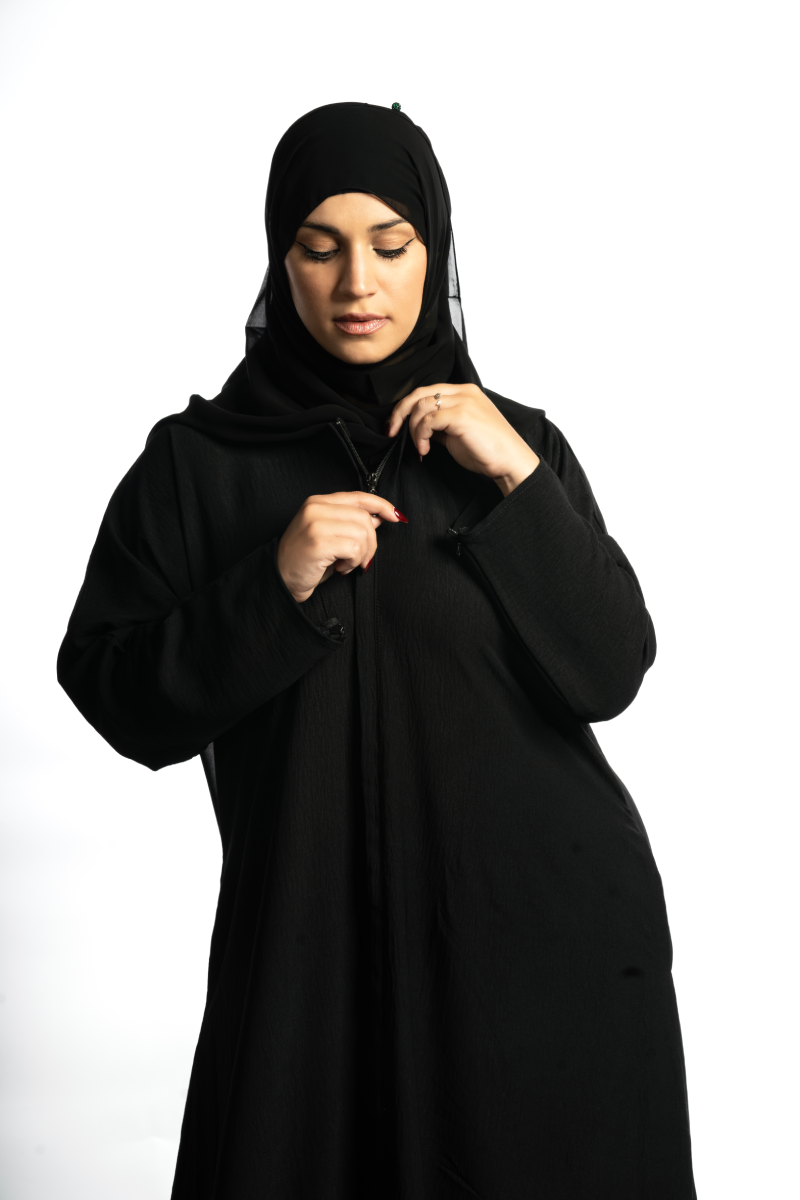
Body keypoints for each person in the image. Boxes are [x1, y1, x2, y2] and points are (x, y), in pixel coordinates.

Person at [58, 102, 697, 1199]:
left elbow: (611, 669)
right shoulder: (198, 465)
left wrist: (516, 481)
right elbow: (115, 694)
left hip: (541, 959)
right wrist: (272, 585)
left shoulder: (516, 444)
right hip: (310, 971)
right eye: (320, 248)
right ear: (279, 258)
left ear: (434, 252)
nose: (357, 282)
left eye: (391, 246)